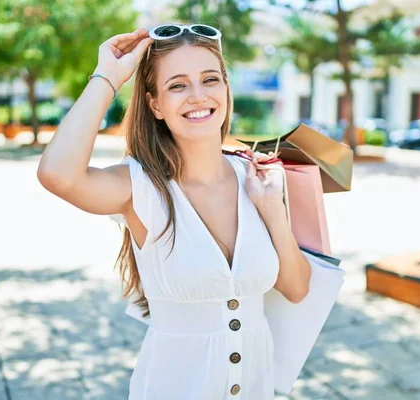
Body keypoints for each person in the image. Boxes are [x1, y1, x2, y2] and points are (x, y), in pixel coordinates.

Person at [37, 24, 312, 399]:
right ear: (155, 105)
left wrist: (272, 211)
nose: (198, 96)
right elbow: (57, 174)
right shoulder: (139, 188)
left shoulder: (258, 177)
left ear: (227, 90)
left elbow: (296, 290)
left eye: (210, 79)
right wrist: (107, 78)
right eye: (178, 85)